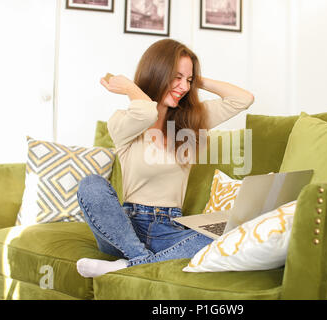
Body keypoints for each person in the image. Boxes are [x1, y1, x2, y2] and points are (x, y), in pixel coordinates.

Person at [76, 39, 254, 278]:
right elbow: (147, 112)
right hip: (124, 227)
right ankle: (139, 257)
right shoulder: (122, 121)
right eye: (176, 77)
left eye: (188, 81)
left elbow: (243, 99)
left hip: (170, 229)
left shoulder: (192, 122)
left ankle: (131, 264)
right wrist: (131, 89)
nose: (183, 87)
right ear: (156, 72)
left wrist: (194, 78)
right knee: (91, 185)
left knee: (229, 234)